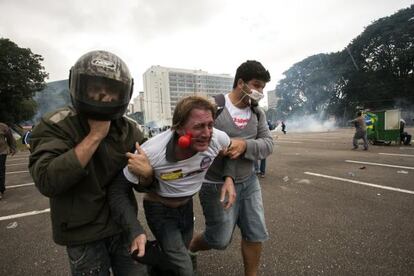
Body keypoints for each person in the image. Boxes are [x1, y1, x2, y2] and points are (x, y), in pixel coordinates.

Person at [28, 50, 148, 275]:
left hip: (122, 225)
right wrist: (95, 136)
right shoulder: (58, 124)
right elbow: (47, 180)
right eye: (95, 88)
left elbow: (146, 179)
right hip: (82, 233)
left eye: (110, 90)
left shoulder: (129, 129)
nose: (103, 96)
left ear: (122, 93)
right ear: (79, 86)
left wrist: (147, 174)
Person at [108, 95, 236, 276]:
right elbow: (117, 190)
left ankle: (157, 261)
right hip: (160, 210)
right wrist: (135, 230)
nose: (207, 133)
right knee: (184, 267)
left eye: (210, 125)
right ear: (180, 128)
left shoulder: (217, 138)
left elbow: (231, 151)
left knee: (175, 258)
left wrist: (229, 177)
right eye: (198, 126)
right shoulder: (152, 151)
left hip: (187, 207)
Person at [189, 60, 273, 276]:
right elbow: (193, 139)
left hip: (249, 180)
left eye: (263, 87)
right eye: (256, 85)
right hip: (215, 182)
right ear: (241, 83)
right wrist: (215, 146)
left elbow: (268, 144)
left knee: (255, 233)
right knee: (219, 239)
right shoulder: (213, 107)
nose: (260, 91)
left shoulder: (257, 113)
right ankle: (190, 248)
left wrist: (244, 145)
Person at [0, 122, 17, 200]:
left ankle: (0, 190)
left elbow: (10, 137)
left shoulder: (3, 126)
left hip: (1, 152)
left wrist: (13, 148)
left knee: (0, 170)